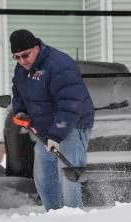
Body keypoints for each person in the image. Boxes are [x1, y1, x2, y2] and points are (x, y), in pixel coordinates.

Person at [10, 29, 94, 211]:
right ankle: (54, 218)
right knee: (44, 176)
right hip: (45, 129)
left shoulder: (58, 65)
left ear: (36, 47)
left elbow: (70, 104)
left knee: (68, 177)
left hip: (73, 124)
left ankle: (73, 219)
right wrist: (21, 111)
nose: (22, 61)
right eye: (16, 57)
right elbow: (18, 91)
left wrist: (56, 135)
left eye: (25, 55)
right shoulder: (22, 69)